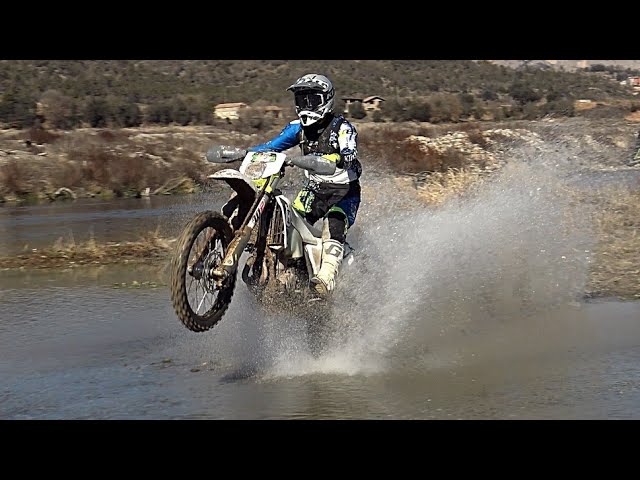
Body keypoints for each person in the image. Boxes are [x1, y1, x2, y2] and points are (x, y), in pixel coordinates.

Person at [208, 73, 362, 296]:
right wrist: (244, 153)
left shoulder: (343, 128)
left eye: (313, 100)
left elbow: (349, 153)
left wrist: (336, 157)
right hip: (314, 189)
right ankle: (291, 269)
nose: (307, 106)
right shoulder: (297, 128)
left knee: (335, 224)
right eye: (302, 100)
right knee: (289, 223)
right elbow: (271, 146)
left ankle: (326, 278)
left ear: (327, 99)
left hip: (344, 191)